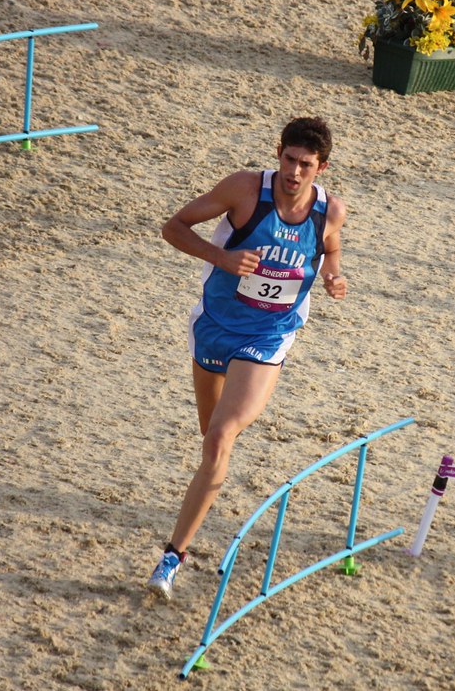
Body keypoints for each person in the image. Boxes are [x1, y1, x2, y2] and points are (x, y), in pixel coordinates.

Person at [146, 116, 348, 600]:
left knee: (219, 437)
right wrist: (222, 259)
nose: (295, 172)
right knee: (210, 444)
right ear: (278, 153)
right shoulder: (243, 190)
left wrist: (333, 276)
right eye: (289, 160)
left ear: (321, 167)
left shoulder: (330, 211)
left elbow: (332, 248)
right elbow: (172, 227)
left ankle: (171, 559)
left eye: (306, 165)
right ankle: (209, 490)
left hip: (268, 334)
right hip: (213, 329)